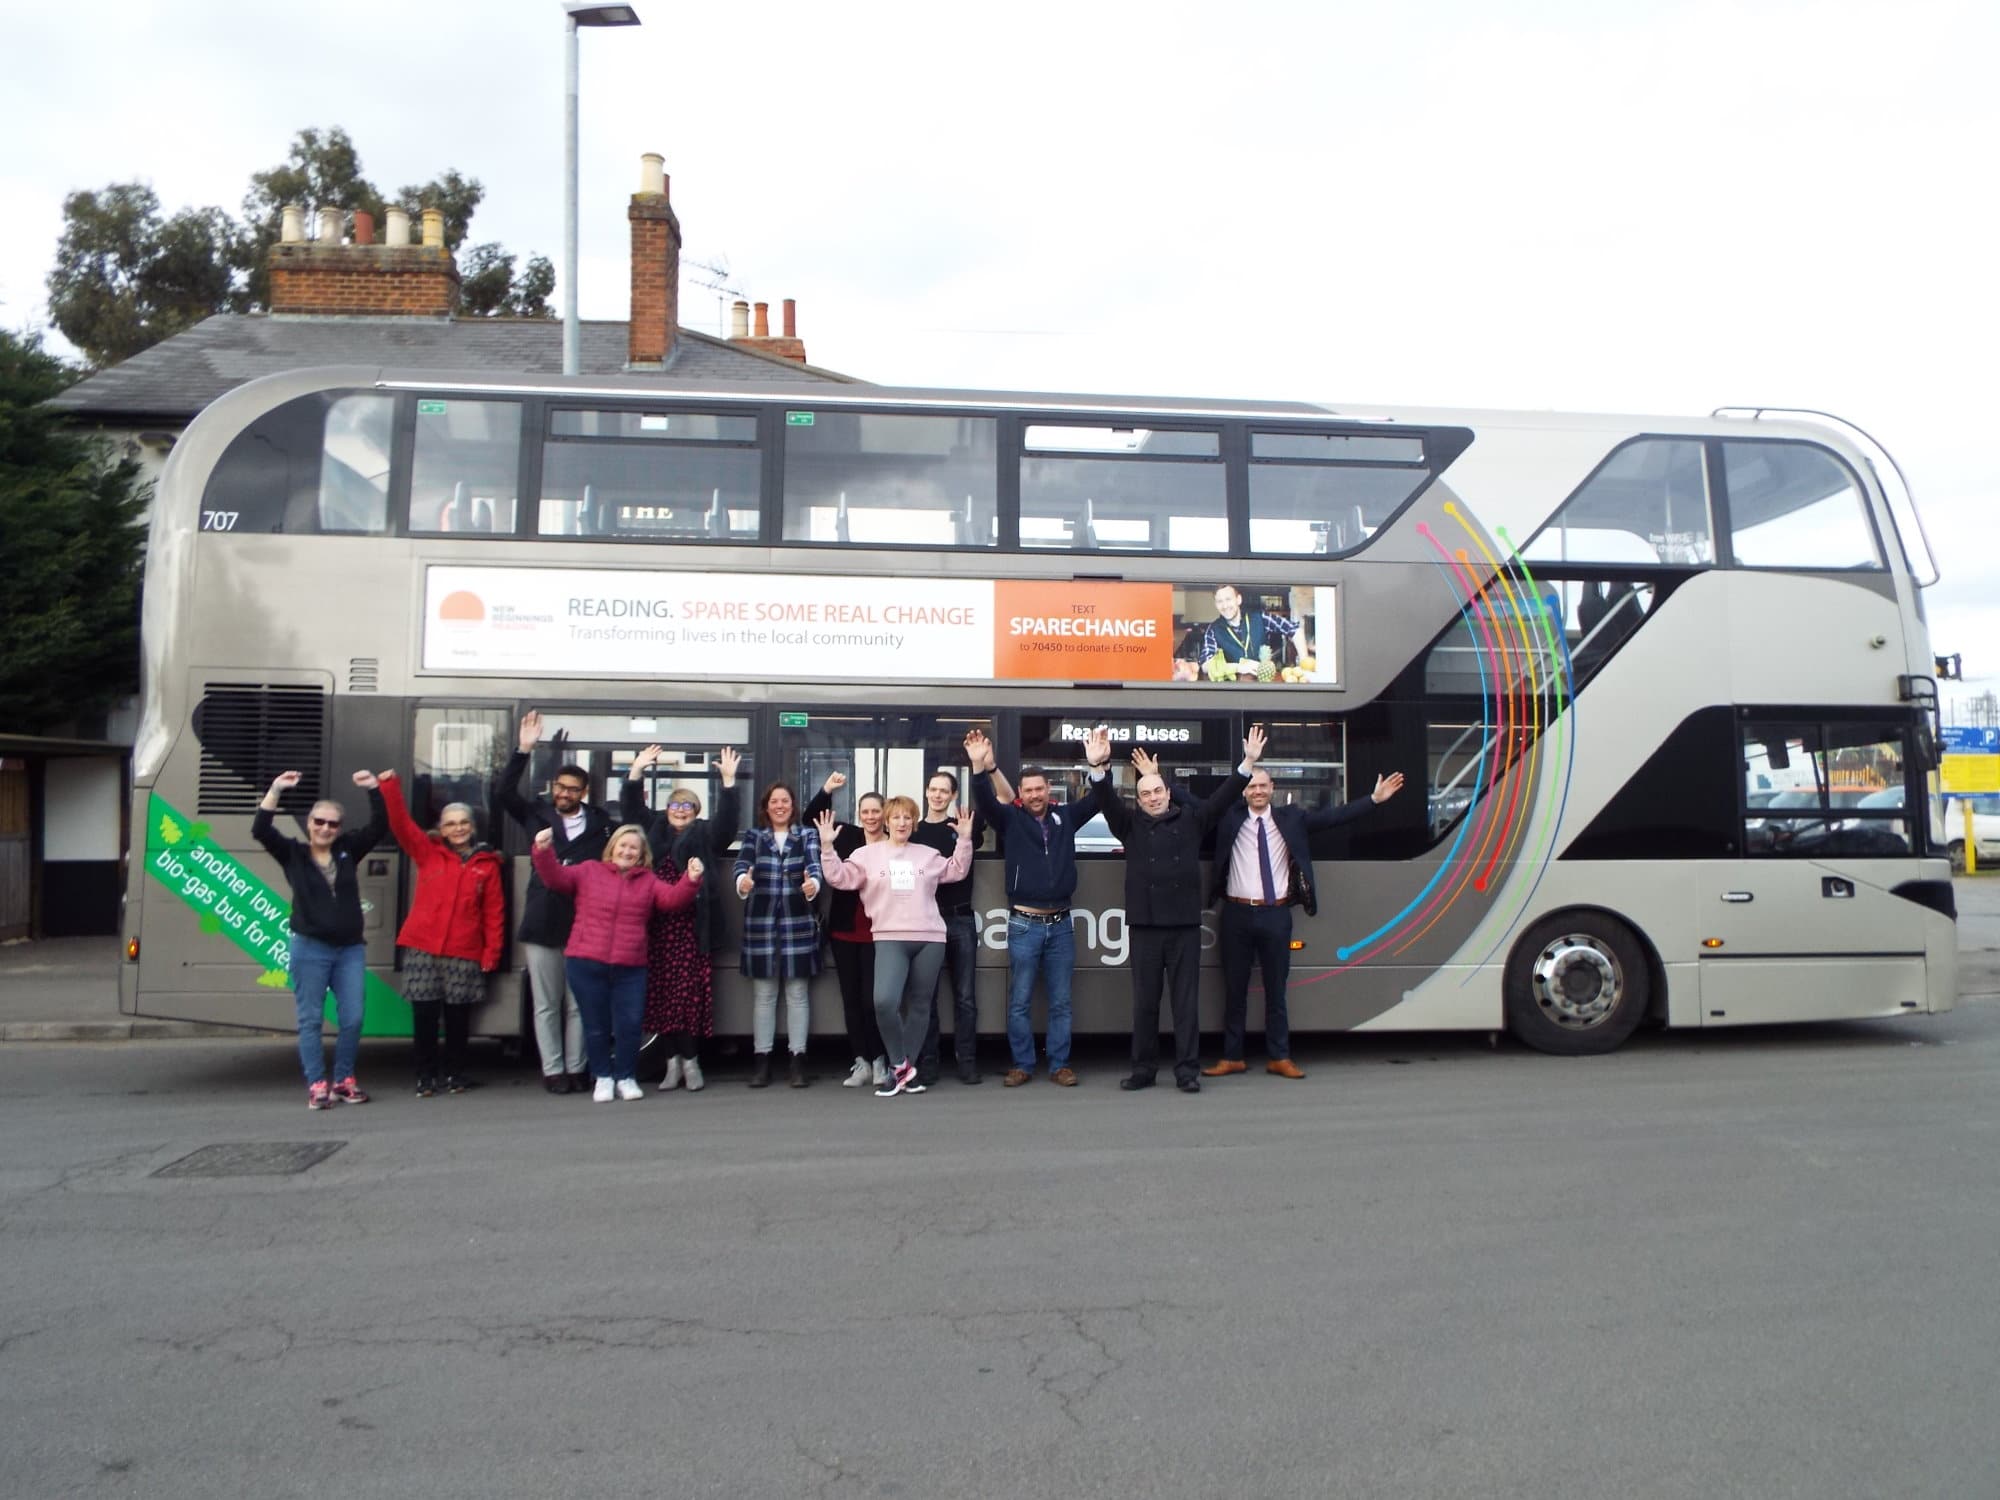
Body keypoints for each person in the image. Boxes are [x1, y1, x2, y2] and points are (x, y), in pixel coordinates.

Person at [1203, 763, 1407, 1080]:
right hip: (1236, 915)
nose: (1257, 791)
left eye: (1263, 786)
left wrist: (1373, 800)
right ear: (1243, 791)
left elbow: (1333, 818)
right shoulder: (1230, 818)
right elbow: (1196, 809)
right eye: (1252, 787)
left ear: (1272, 789)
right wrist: (1158, 778)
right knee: (1234, 991)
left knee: (1276, 990)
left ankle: (1279, 1056)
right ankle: (1232, 1057)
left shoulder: (1292, 819)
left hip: (1276, 915)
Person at [1100, 726, 1265, 1094]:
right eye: (1146, 793)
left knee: (1185, 1004)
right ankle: (1143, 1070)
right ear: (1138, 800)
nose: (1153, 797)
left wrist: (1248, 762)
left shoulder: (1192, 821)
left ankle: (1187, 1071)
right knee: (1144, 1004)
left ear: (1168, 793)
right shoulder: (1128, 825)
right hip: (1144, 926)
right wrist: (1098, 770)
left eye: (1158, 790)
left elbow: (1223, 798)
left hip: (1184, 927)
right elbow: (1106, 801)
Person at [965, 725, 1113, 1087]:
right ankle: (1023, 1065)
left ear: (1049, 790)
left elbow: (1099, 800)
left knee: (1062, 1002)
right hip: (1023, 925)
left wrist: (1099, 769)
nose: (1034, 795)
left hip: (1061, 924)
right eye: (1028, 790)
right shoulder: (1010, 820)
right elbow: (985, 801)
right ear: (1020, 794)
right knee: (1019, 1002)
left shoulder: (1066, 818)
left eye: (1039, 789)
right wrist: (978, 768)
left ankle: (1060, 1064)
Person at [814, 799, 974, 1098]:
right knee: (884, 1002)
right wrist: (827, 847)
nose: (901, 823)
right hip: (888, 937)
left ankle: (902, 1071)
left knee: (920, 1006)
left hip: (930, 937)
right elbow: (839, 878)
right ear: (886, 822)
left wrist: (964, 839)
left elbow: (956, 871)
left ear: (914, 823)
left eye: (907, 818)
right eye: (896, 817)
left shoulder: (927, 855)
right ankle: (900, 1064)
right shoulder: (865, 855)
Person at [529, 824, 701, 1102]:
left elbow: (671, 900)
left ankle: (626, 1077)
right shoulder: (588, 871)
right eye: (622, 845)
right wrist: (543, 850)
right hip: (585, 962)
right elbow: (554, 878)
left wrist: (690, 880)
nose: (627, 851)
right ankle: (603, 1078)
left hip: (630, 966)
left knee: (630, 1025)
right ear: (612, 848)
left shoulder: (648, 881)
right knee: (595, 1025)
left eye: (633, 847)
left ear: (642, 854)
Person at [252, 769, 390, 1110]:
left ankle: (344, 1079)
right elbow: (261, 829)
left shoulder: (347, 851)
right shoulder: (292, 853)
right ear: (310, 823)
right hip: (309, 948)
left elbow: (378, 827)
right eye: (319, 822)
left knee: (354, 1017)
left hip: (349, 950)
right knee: (311, 1019)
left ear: (339, 828)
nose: (325, 828)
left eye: (332, 824)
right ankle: (317, 1084)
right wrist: (276, 789)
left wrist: (374, 789)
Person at [493, 710, 615, 1094]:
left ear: (584, 793)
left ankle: (577, 1068)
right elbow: (502, 794)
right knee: (546, 1003)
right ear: (553, 788)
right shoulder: (536, 815)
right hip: (543, 920)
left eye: (573, 789)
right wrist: (523, 750)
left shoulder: (601, 824)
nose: (565, 794)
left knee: (580, 1003)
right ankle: (553, 1070)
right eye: (560, 787)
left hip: (584, 922)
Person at [620, 744, 741, 1093]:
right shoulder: (652, 828)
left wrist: (729, 783)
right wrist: (636, 770)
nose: (679, 810)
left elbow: (728, 824)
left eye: (687, 805)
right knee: (660, 1000)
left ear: (696, 811)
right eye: (674, 804)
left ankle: (691, 1062)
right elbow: (630, 810)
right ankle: (672, 1064)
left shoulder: (705, 833)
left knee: (686, 1000)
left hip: (691, 929)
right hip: (655, 929)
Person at [380, 773, 505, 1096]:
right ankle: (425, 1076)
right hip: (422, 947)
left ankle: (455, 1074)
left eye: (464, 822)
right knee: (424, 1017)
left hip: (464, 950)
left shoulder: (487, 864)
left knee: (458, 1020)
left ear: (473, 826)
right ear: (441, 828)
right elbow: (401, 824)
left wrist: (492, 951)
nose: (458, 828)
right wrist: (390, 786)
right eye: (451, 824)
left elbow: (494, 912)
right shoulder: (427, 852)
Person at [733, 782, 825, 1088]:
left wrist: (814, 885)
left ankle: (798, 1060)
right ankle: (762, 1061)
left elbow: (815, 867)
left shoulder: (807, 834)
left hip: (797, 921)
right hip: (760, 924)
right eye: (775, 801)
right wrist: (742, 882)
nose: (780, 806)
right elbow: (742, 866)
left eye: (785, 801)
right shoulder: (753, 836)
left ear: (793, 805)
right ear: (766, 806)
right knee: (764, 996)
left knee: (798, 995)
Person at [803, 774, 889, 1089]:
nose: (870, 817)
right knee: (851, 1000)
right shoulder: (847, 836)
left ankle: (880, 1060)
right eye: (865, 811)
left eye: (876, 811)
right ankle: (862, 1062)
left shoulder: (894, 841)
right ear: (858, 814)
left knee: (872, 1001)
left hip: (879, 932)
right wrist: (826, 790)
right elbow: (809, 818)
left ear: (885, 813)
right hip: (844, 931)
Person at [911, 769, 987, 1086]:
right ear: (926, 792)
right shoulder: (913, 831)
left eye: (945, 790)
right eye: (933, 789)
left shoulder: (965, 826)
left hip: (960, 919)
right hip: (925, 921)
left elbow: (996, 809)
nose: (938, 795)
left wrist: (966, 833)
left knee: (965, 997)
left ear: (954, 795)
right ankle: (928, 1063)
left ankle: (966, 1062)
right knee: (925, 998)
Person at [1198, 584, 1303, 679]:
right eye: (1220, 601)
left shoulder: (1260, 618)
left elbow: (1295, 630)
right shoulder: (1213, 629)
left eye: (1228, 599)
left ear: (1238, 599)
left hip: (1263, 686)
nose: (1225, 606)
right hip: (1231, 691)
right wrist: (1238, 667)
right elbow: (1205, 665)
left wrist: (1305, 666)